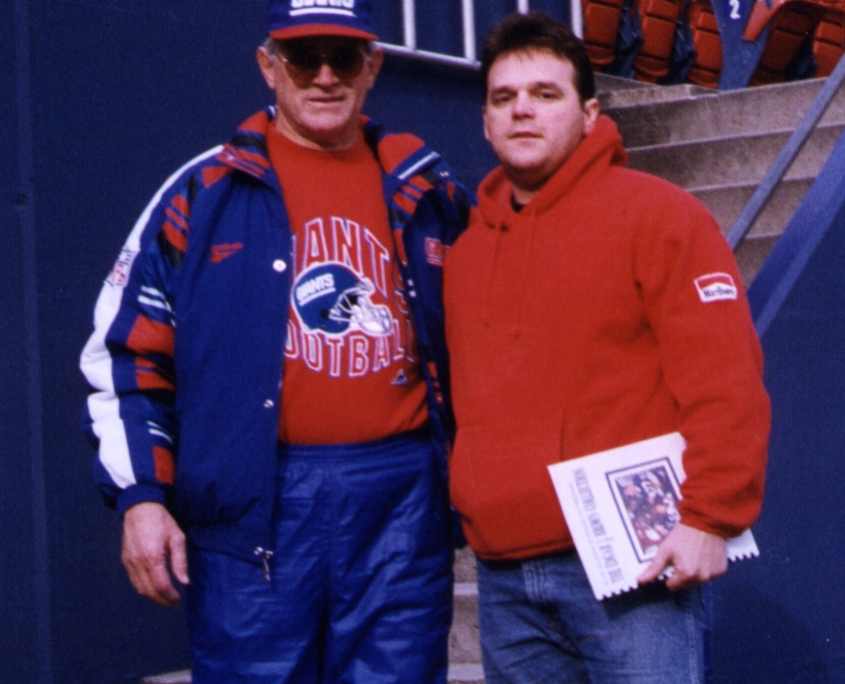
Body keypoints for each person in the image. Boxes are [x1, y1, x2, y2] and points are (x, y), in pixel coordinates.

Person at [80, 2, 471, 682]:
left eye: (343, 57)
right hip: (253, 504)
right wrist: (142, 495)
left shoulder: (425, 190)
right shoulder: (203, 192)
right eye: (301, 57)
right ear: (267, 66)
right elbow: (124, 355)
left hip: (400, 500)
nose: (324, 76)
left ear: (373, 66)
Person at [444, 11, 770, 684]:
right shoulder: (468, 252)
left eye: (545, 94)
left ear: (590, 112)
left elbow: (723, 379)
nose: (521, 112)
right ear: (483, 120)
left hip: (630, 572)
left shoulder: (658, 215)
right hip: (505, 579)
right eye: (503, 98)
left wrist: (711, 516)